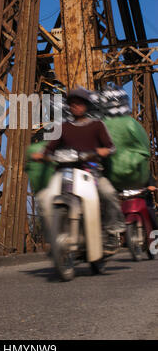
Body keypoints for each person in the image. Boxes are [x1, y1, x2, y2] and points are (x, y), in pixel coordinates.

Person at [32, 87, 126, 254]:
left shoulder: (97, 125)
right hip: (66, 171)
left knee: (108, 193)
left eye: (80, 103)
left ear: (87, 106)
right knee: (44, 198)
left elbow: (110, 147)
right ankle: (53, 235)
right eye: (73, 103)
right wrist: (41, 154)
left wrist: (104, 151)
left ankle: (112, 233)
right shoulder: (63, 127)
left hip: (91, 170)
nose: (76, 106)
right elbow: (50, 147)